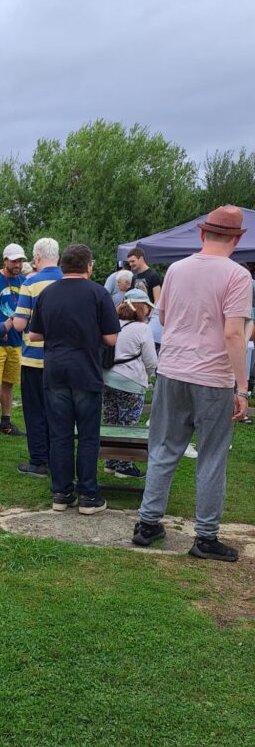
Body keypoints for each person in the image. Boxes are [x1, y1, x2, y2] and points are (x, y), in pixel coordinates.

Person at [132, 206, 252, 561]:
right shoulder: (238, 275)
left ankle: (148, 523)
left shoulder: (176, 270)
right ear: (238, 238)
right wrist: (242, 387)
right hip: (212, 377)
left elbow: (165, 316)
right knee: (212, 456)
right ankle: (206, 536)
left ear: (202, 234)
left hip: (172, 370)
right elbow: (234, 333)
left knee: (165, 449)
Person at [28, 243, 120, 514]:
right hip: (86, 371)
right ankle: (89, 496)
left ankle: (62, 492)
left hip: (55, 371)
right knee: (88, 436)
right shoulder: (99, 294)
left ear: (63, 265)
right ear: (89, 266)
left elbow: (34, 334)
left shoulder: (47, 293)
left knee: (60, 435)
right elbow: (111, 337)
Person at [12, 237, 63, 477]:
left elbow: (20, 322)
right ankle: (57, 457)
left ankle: (38, 460)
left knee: (35, 410)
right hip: (62, 357)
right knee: (58, 410)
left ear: (38, 258)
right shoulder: (68, 280)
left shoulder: (31, 282)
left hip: (34, 357)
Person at [102, 289, 158, 479]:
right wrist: (146, 376)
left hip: (107, 378)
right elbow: (151, 362)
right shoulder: (142, 329)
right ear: (142, 308)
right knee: (128, 424)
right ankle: (124, 466)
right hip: (131, 382)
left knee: (110, 420)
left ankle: (110, 461)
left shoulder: (113, 323)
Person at [0, 243, 26, 440]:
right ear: (5, 260)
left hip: (17, 341)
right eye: (14, 260)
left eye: (20, 261)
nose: (17, 264)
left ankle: (6, 422)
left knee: (9, 383)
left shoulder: (24, 281)